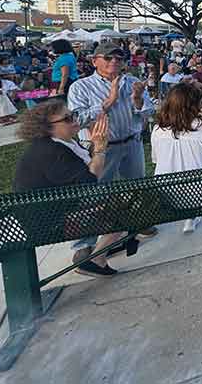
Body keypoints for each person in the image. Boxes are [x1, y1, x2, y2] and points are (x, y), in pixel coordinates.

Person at [67, 42, 157, 259]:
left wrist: (137, 101)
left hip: (131, 142)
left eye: (119, 58)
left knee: (137, 186)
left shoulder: (133, 82)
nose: (114, 62)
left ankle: (138, 223)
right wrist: (108, 101)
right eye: (108, 58)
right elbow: (76, 120)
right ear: (94, 61)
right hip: (100, 148)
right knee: (93, 192)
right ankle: (84, 243)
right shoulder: (81, 87)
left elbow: (148, 112)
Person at [14, 101, 123, 277]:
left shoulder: (60, 143)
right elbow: (89, 182)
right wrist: (100, 149)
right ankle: (95, 260)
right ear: (48, 127)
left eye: (73, 115)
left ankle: (99, 254)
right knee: (123, 212)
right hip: (48, 224)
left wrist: (97, 145)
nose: (74, 120)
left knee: (120, 204)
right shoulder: (51, 151)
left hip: (53, 212)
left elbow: (86, 174)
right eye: (67, 118)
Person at [151, 83, 202, 232]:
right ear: (195, 104)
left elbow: (156, 160)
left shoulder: (157, 130)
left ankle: (190, 217)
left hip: (171, 196)